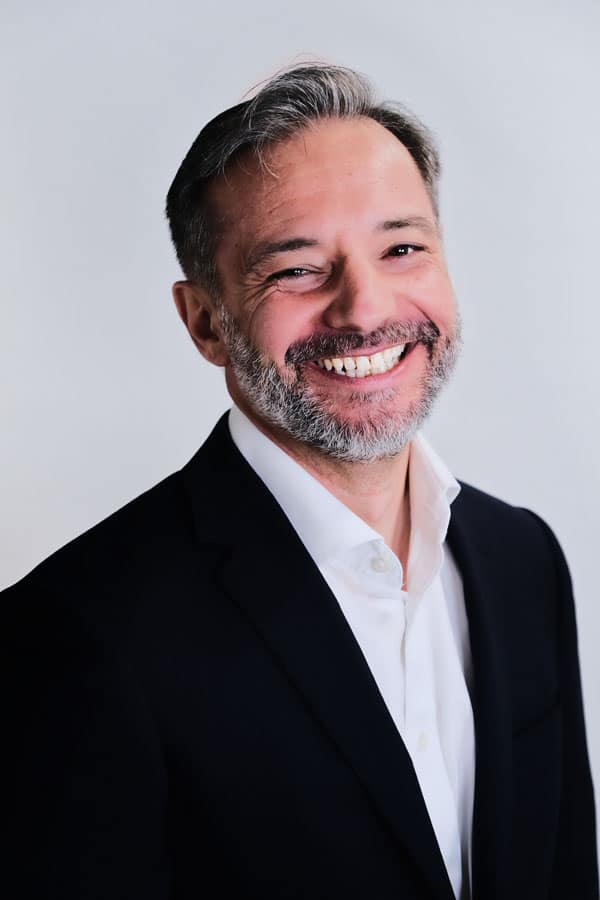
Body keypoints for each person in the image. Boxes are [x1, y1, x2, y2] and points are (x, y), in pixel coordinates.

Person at [4, 64, 597, 900]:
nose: (363, 307)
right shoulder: (74, 633)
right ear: (205, 320)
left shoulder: (522, 560)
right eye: (297, 269)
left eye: (402, 248)